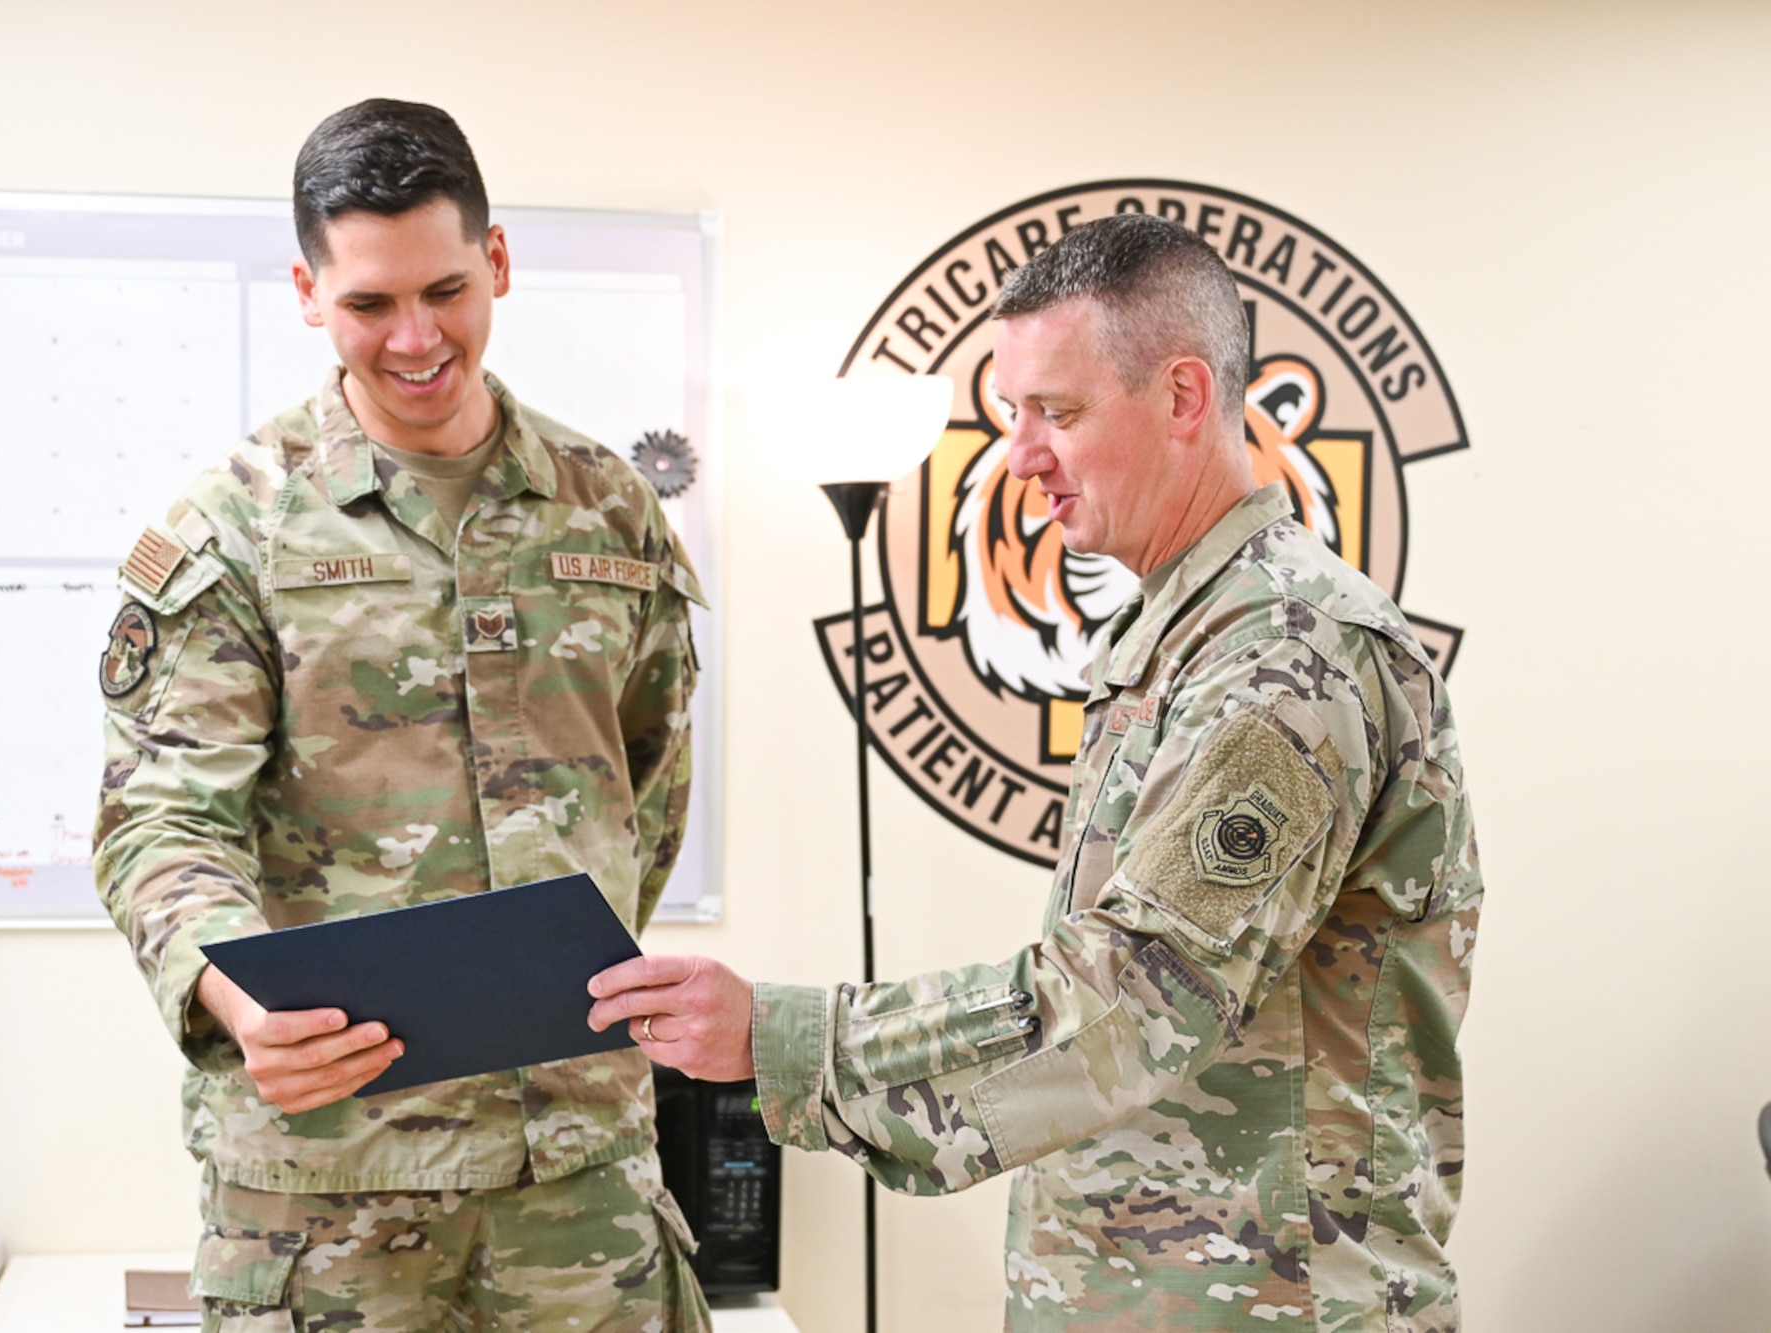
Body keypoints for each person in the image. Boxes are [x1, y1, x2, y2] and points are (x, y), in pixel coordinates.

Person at [590, 214, 1481, 1331]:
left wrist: (785, 1038)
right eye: (1013, 413)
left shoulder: (1284, 659)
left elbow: (1130, 999)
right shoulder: (1183, 634)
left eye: (1056, 412)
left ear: (1183, 396)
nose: (1019, 456)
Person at [94, 98, 710, 1332]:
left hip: (576, 1175)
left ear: (497, 261)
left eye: (445, 290)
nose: (417, 339)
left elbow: (644, 789)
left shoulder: (607, 507)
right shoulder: (235, 528)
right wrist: (237, 998)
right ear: (307, 293)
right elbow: (159, 823)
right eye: (370, 303)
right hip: (329, 1184)